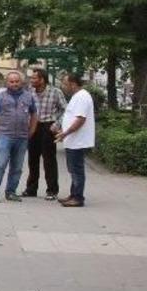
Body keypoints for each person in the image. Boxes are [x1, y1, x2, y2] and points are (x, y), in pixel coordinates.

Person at [0, 71, 38, 203]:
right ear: (7, 82)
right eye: (11, 81)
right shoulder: (0, 97)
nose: (14, 84)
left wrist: (32, 130)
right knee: (0, 164)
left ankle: (11, 192)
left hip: (22, 137)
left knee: (17, 167)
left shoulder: (28, 97)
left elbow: (34, 114)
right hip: (5, 135)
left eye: (17, 81)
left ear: (21, 82)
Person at [23, 68, 67, 200]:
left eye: (34, 78)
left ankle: (52, 190)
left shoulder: (55, 92)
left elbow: (65, 110)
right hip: (33, 127)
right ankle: (31, 189)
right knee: (32, 159)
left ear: (42, 79)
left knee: (49, 160)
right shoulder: (29, 92)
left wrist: (57, 124)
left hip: (48, 126)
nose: (31, 80)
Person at [55, 73, 95, 207]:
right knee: (73, 169)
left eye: (65, 84)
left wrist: (65, 133)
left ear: (72, 84)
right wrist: (64, 131)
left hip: (78, 141)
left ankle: (78, 197)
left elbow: (80, 119)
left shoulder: (82, 97)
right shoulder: (76, 96)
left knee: (76, 170)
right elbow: (72, 117)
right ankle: (73, 194)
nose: (63, 86)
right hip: (73, 140)